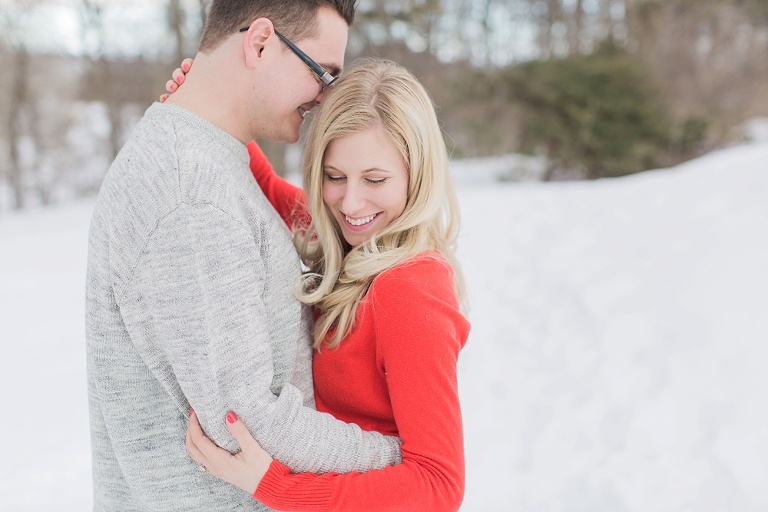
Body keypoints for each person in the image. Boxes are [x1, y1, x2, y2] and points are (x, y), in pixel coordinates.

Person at [84, 2, 403, 511]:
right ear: (259, 42)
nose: (325, 96)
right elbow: (248, 422)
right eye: (322, 73)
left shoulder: (207, 162)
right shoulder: (193, 196)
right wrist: (399, 456)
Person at [183, 59, 471, 511]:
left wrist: (277, 487)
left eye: (375, 179)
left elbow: (438, 485)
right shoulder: (351, 239)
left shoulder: (411, 290)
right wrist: (209, 103)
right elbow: (269, 187)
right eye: (334, 177)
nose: (351, 203)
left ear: (418, 176)